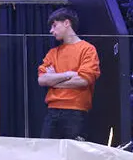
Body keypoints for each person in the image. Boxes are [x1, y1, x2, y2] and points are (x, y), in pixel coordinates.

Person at [37, 7, 101, 140]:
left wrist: (55, 82)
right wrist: (68, 74)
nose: (51, 31)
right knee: (47, 149)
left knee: (74, 151)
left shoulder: (87, 49)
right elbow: (42, 79)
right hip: (52, 111)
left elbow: (84, 80)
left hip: (76, 111)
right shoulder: (52, 53)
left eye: (54, 25)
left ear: (67, 23)